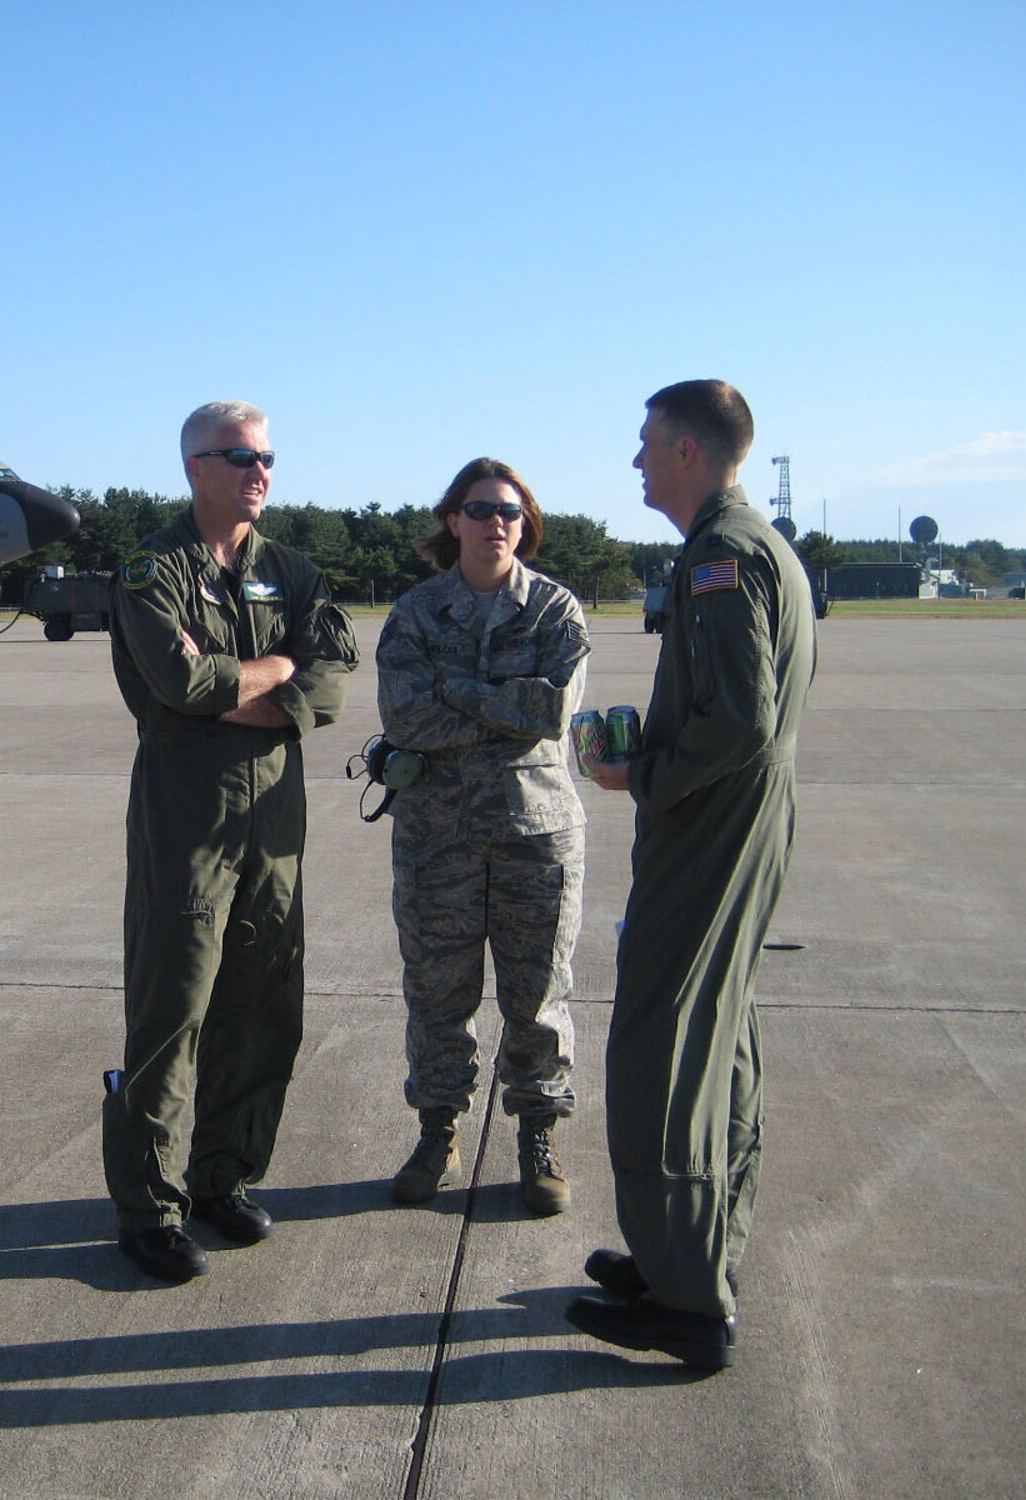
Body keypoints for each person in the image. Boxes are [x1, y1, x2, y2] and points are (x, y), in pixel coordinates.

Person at [568, 379, 817, 1371]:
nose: (633, 461)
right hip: (742, 817)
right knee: (718, 1033)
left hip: (709, 822)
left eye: (644, 444)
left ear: (686, 451)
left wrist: (642, 773)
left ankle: (684, 1298)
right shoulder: (752, 545)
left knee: (660, 1042)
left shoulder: (718, 554)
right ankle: (694, 1253)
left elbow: (739, 720)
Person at [102, 399, 359, 1282]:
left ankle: (222, 1177)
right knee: (173, 1008)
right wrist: (269, 671)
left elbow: (328, 682)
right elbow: (177, 682)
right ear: (195, 470)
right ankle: (148, 1205)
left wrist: (251, 684)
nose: (261, 473)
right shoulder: (153, 568)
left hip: (276, 818)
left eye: (268, 459)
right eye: (240, 458)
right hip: (188, 813)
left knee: (261, 1004)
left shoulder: (292, 569)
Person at [376, 458, 589, 1216]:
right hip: (437, 839)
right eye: (480, 509)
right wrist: (503, 705)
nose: (495, 523)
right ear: (452, 521)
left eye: (509, 511)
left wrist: (454, 694)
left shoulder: (555, 610)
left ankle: (538, 1136)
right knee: (438, 995)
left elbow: (553, 709)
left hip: (538, 836)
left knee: (537, 999)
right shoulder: (416, 613)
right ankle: (438, 1131)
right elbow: (404, 720)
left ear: (524, 523)